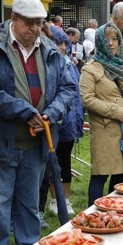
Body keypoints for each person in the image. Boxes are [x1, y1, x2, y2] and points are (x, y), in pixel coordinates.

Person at [0, 0, 76, 245]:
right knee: (0, 202)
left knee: (29, 202)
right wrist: (21, 110)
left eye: (39, 23)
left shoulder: (50, 49)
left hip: (39, 140)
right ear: (13, 19)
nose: (34, 29)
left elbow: (68, 88)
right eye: (29, 23)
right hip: (3, 140)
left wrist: (50, 114)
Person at [80, 23, 123, 205]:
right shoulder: (90, 69)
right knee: (100, 175)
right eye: (106, 39)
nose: (111, 43)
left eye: (114, 38)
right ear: (99, 42)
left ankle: (117, 208)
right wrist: (117, 112)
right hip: (105, 130)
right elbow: (86, 99)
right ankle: (94, 215)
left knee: (121, 174)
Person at [43, 25, 84, 216]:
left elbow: (75, 93)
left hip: (70, 122)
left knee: (65, 161)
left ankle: (65, 200)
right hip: (56, 120)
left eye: (63, 43)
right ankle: (54, 199)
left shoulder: (69, 63)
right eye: (57, 43)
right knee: (54, 163)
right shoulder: (50, 64)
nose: (61, 47)